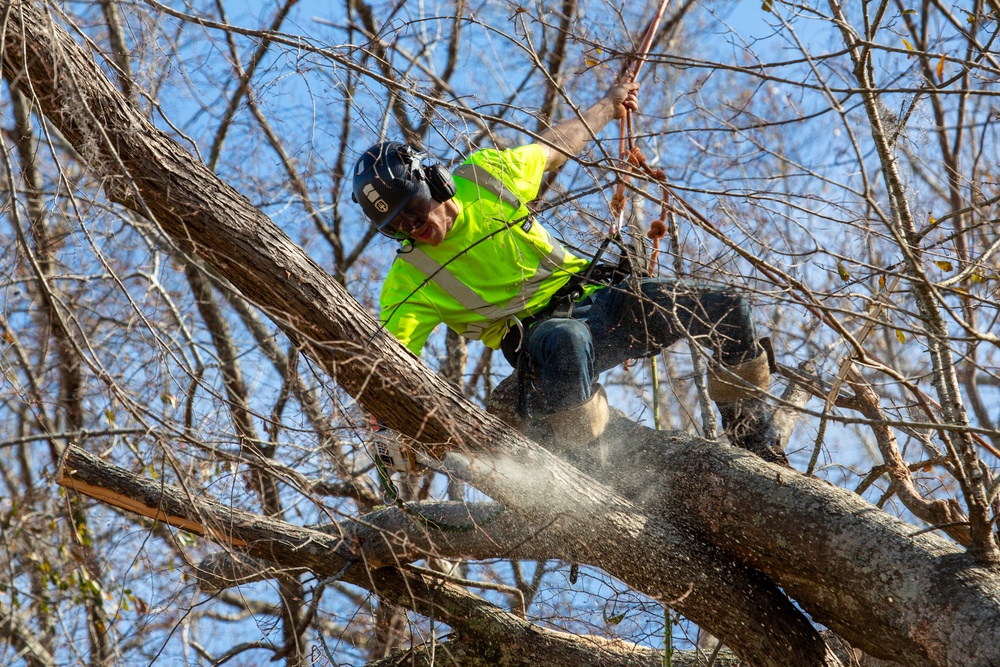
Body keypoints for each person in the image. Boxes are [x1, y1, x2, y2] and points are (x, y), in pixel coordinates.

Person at [353, 82, 788, 465]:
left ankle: (755, 442)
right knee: (567, 339)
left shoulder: (484, 176)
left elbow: (553, 146)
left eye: (411, 209)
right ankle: (587, 474)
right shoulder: (408, 280)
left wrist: (607, 106)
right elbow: (387, 362)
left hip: (603, 301)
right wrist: (383, 426)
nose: (413, 228)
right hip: (538, 345)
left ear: (435, 181)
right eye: (396, 227)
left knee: (726, 307)